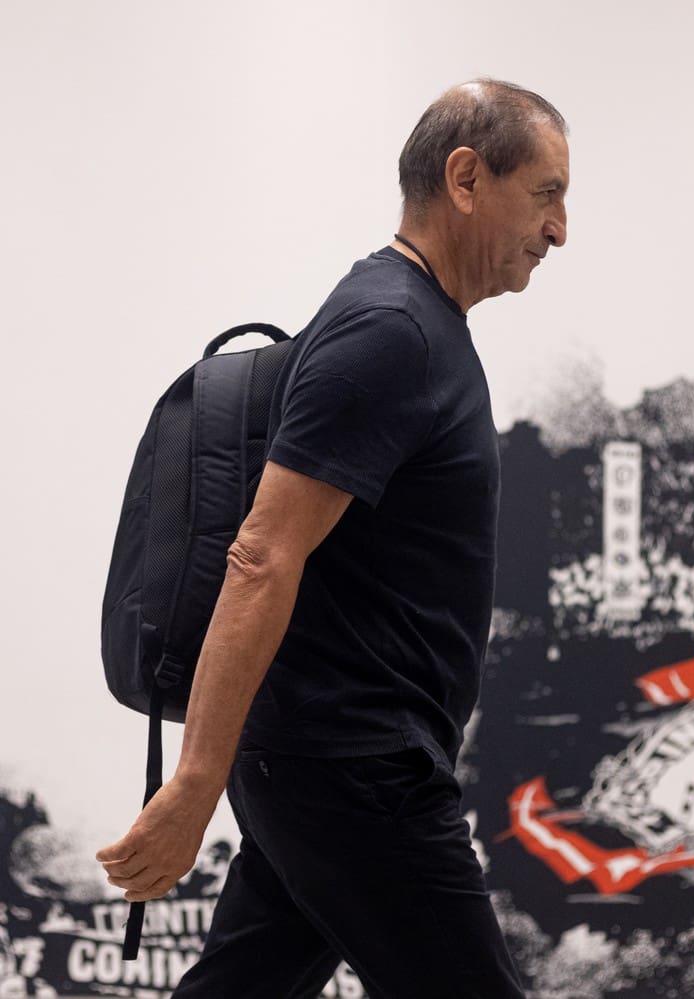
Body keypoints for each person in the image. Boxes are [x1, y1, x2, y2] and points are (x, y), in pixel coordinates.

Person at [96, 78, 569, 998]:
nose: (559, 230)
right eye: (546, 194)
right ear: (466, 178)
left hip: (326, 760)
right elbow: (263, 553)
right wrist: (194, 784)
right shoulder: (392, 330)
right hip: (355, 768)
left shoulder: (409, 319)